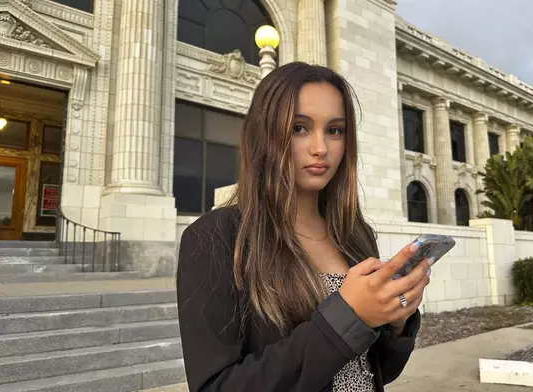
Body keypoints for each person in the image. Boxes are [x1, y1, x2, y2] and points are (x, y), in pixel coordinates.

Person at [176, 62, 433, 392]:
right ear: (264, 134)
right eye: (299, 128)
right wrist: (347, 318)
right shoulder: (215, 238)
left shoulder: (355, 234)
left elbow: (374, 370)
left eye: (334, 130)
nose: (320, 148)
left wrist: (397, 321)